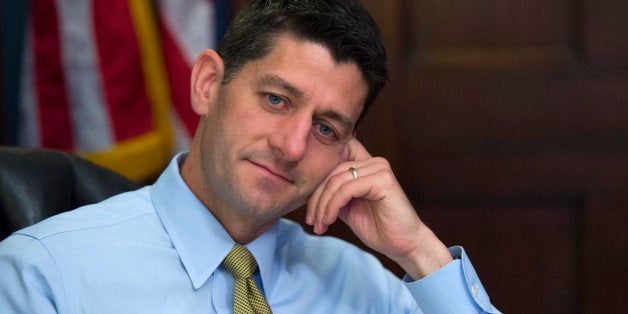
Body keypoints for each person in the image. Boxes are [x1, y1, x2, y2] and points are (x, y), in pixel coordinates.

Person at [0, 0, 500, 313]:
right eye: (276, 100)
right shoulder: (45, 272)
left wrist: (418, 252)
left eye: (326, 128)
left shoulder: (361, 285)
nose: (292, 146)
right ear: (207, 85)